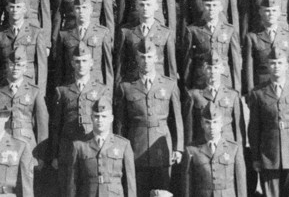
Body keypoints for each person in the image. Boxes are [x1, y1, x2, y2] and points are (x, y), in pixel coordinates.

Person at [114, 40, 183, 197]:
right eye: (142, 57)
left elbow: (176, 118)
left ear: (156, 58)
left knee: (163, 193)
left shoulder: (168, 84)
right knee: (139, 191)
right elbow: (120, 122)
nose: (146, 61)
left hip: (161, 148)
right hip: (136, 148)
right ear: (137, 59)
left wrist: (178, 148)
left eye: (149, 56)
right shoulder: (126, 86)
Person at [50, 46, 111, 189]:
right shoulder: (62, 91)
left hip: (90, 148)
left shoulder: (101, 90)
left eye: (84, 61)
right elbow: (56, 126)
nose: (81, 65)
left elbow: (107, 124)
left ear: (91, 63)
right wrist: (54, 154)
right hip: (67, 149)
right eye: (77, 61)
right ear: (72, 63)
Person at [0, 49, 49, 168]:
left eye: (19, 65)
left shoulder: (34, 91)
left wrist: (41, 155)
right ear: (7, 66)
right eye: (12, 65)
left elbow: (42, 125)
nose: (15, 68)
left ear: (25, 68)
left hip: (26, 145)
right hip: (1, 144)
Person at [66, 97, 136, 197]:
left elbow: (130, 185)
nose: (100, 120)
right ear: (91, 118)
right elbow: (72, 183)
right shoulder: (79, 146)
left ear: (111, 118)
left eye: (104, 116)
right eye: (96, 116)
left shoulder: (123, 145)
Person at [248, 45, 289, 197]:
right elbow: (254, 128)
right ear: (268, 65)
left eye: (280, 62)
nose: (276, 66)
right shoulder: (258, 93)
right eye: (272, 63)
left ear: (286, 65)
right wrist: (256, 158)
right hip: (269, 156)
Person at [181, 102, 247, 197]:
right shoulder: (192, 150)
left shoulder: (233, 148)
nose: (212, 127)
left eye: (215, 122)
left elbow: (240, 183)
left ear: (221, 124)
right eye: (207, 122)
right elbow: (187, 184)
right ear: (202, 124)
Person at [182, 0, 242, 92]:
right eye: (208, 5)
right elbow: (188, 61)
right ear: (202, 6)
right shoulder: (193, 30)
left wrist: (237, 89)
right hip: (201, 80)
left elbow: (235, 61)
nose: (211, 9)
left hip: (224, 79)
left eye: (215, 5)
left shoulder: (229, 30)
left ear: (220, 7)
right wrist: (187, 86)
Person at [0, 0, 48, 92]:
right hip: (4, 86)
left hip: (28, 86)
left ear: (24, 10)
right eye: (12, 7)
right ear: (7, 9)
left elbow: (42, 66)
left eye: (18, 7)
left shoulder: (36, 33)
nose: (15, 10)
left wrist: (40, 93)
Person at [183, 51, 244, 147]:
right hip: (202, 147)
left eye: (216, 68)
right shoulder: (194, 95)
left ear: (222, 69)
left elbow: (239, 129)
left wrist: (239, 151)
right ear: (203, 70)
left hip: (227, 148)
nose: (212, 72)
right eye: (208, 68)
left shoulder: (232, 95)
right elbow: (189, 128)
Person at [115, 0, 177, 84]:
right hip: (133, 85)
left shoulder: (166, 33)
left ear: (156, 7)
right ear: (136, 7)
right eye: (141, 5)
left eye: (148, 4)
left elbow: (171, 68)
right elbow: (120, 65)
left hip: (158, 85)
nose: (145, 8)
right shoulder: (126, 31)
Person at [53, 0, 114, 88]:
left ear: (91, 10)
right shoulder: (64, 35)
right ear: (73, 11)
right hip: (71, 87)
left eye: (84, 7)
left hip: (96, 87)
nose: (81, 11)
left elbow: (107, 68)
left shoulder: (102, 33)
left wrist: (108, 94)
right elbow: (60, 68)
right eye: (78, 8)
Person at [243, 0, 289, 95]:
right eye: (267, 11)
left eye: (273, 10)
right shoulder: (252, 37)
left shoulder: (287, 35)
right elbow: (249, 68)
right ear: (260, 12)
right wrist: (251, 92)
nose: (271, 14)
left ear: (279, 12)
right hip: (262, 87)